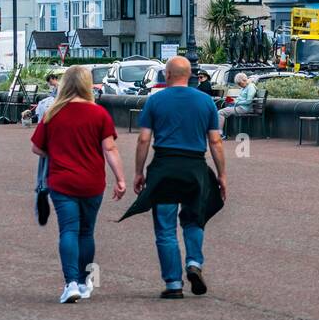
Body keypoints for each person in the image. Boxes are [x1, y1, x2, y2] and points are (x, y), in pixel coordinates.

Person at [119, 56, 227, 299]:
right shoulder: (206, 102)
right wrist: (221, 175)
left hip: (165, 168)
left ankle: (173, 284)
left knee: (166, 229)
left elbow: (144, 139)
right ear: (190, 75)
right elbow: (216, 142)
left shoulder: (156, 100)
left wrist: (138, 171)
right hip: (195, 168)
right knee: (194, 219)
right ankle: (194, 263)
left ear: (167, 74)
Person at [30, 66, 126, 303]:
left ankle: (70, 283)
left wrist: (57, 150)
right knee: (86, 232)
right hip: (92, 182)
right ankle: (84, 283)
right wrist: (120, 179)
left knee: (68, 231)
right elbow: (110, 148)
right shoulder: (99, 114)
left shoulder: (53, 113)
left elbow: (36, 148)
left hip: (62, 181)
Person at [217, 72, 253, 137]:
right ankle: (221, 133)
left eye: (240, 83)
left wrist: (235, 102)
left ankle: (219, 134)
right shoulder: (245, 87)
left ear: (244, 80)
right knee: (224, 108)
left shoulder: (250, 87)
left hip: (243, 108)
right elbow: (241, 99)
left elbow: (248, 101)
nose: (239, 85)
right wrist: (230, 100)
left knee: (220, 112)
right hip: (239, 107)